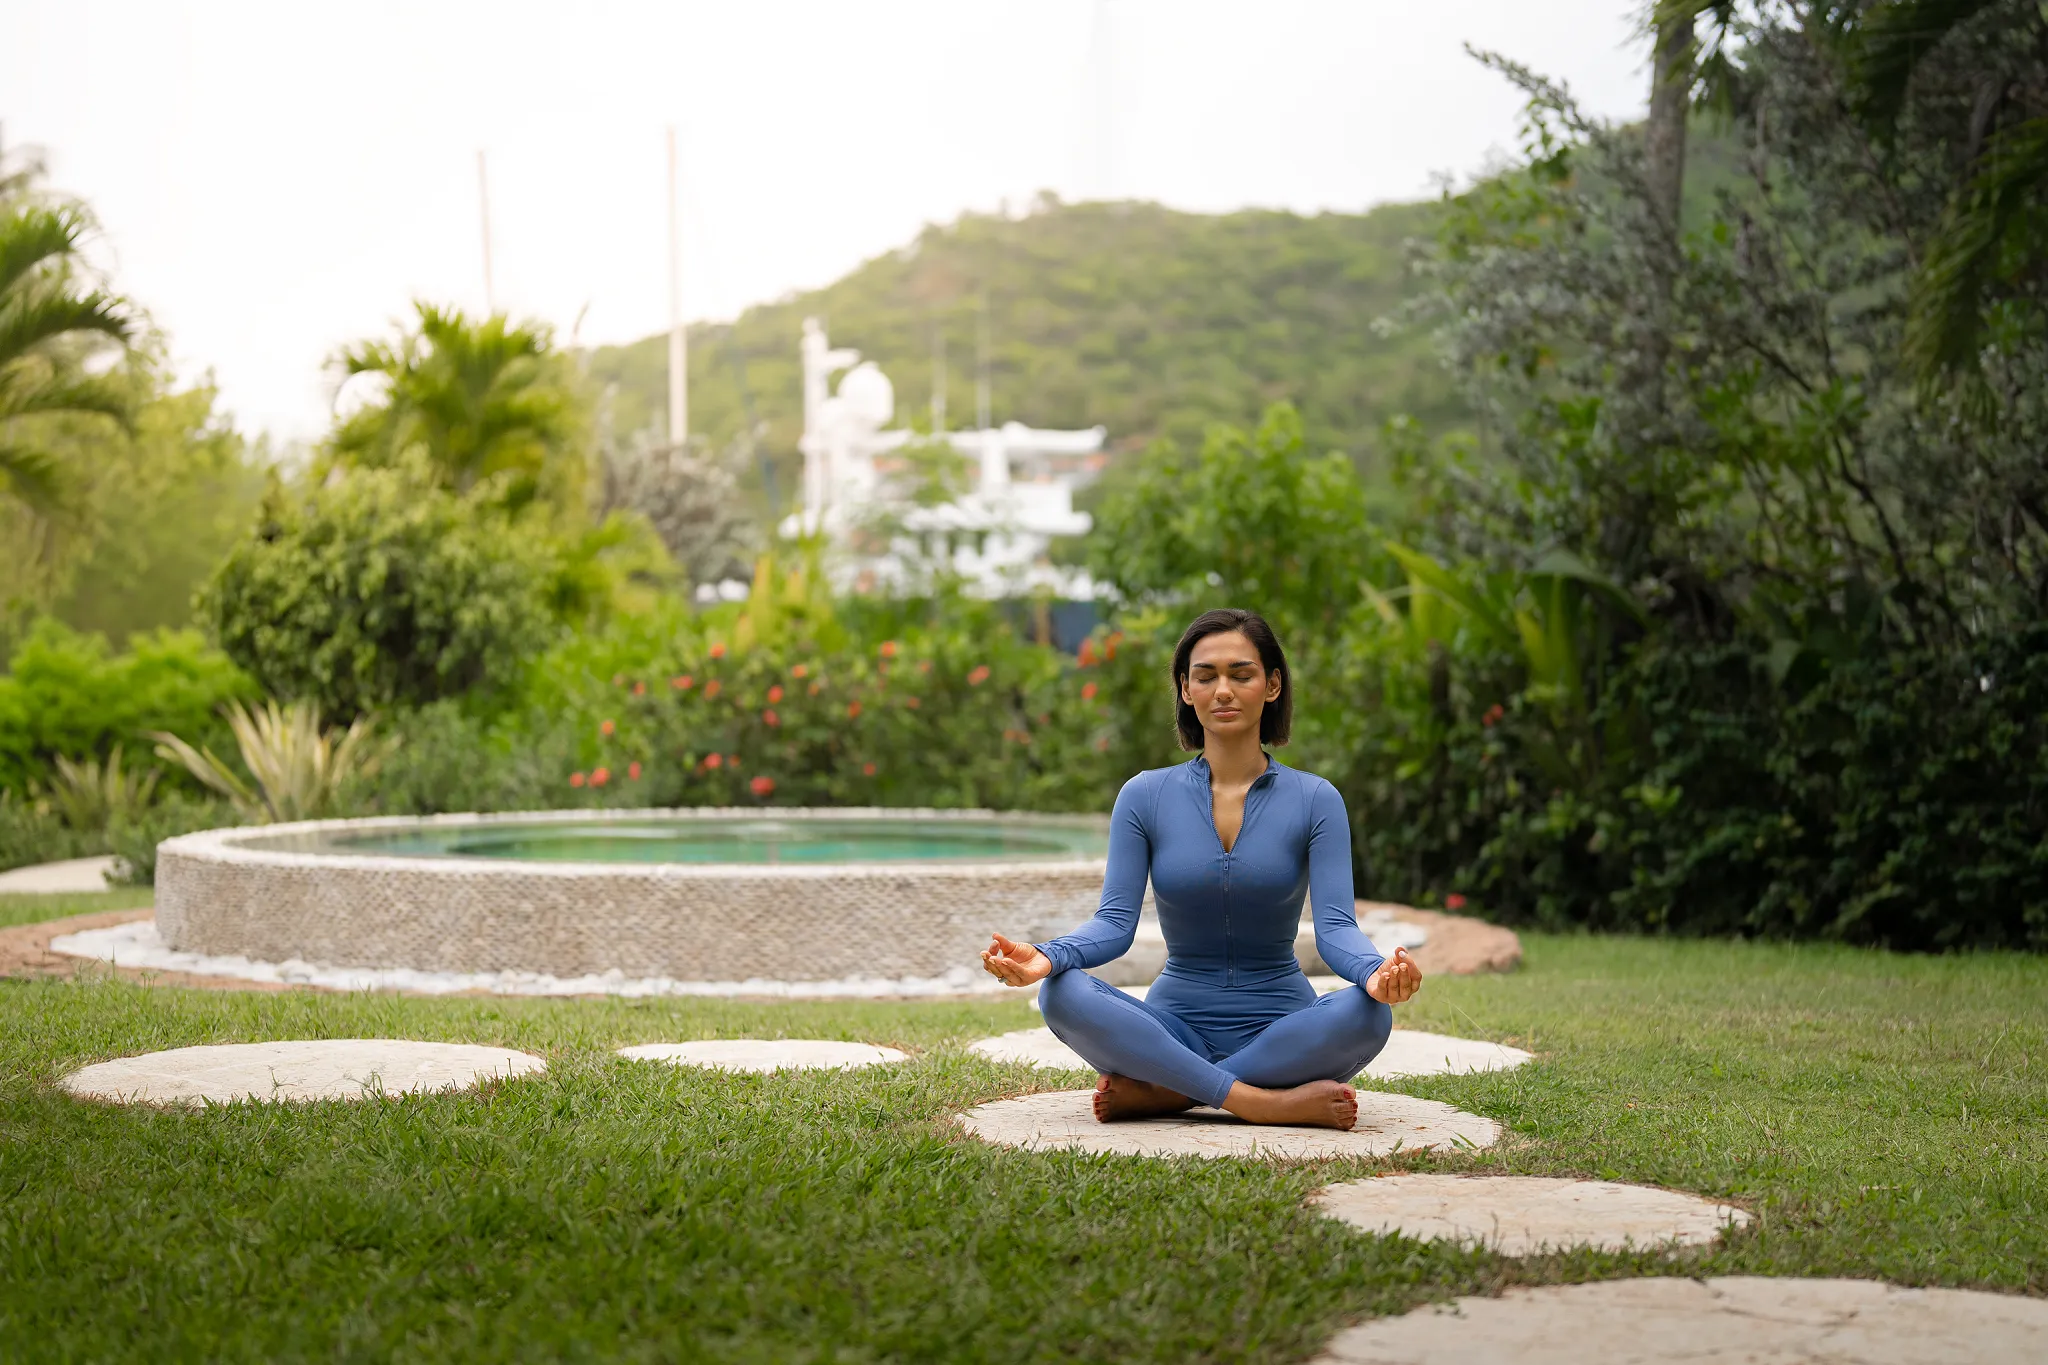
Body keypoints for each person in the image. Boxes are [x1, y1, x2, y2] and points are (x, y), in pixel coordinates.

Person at [980, 608, 1422, 1130]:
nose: (1223, 690)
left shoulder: (1316, 799)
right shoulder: (1143, 795)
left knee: (1369, 1013)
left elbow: (1335, 930)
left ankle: (1171, 1090)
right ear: (1186, 690)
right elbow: (1114, 924)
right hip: (1171, 1028)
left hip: (1284, 1029)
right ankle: (1260, 1102)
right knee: (1061, 991)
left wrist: (1376, 974)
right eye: (1205, 676)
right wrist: (1047, 956)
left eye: (1241, 674)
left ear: (1272, 684)